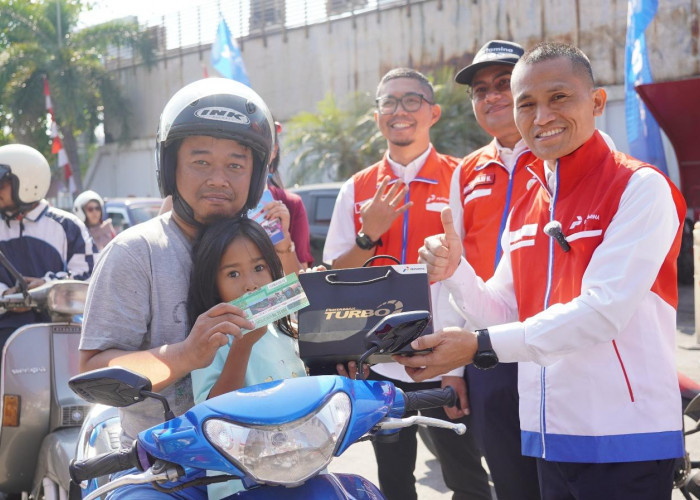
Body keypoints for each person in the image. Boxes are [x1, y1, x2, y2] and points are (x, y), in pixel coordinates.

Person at [396, 42, 686, 499]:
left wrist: (477, 347)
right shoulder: (529, 204)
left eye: (558, 98)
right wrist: (456, 271)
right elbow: (501, 309)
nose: (542, 116)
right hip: (547, 436)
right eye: (526, 104)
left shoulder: (640, 187)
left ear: (596, 102)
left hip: (625, 437)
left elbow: (602, 312)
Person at [78, 78, 276, 499]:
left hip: (267, 451)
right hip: (162, 469)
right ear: (170, 168)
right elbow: (95, 368)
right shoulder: (136, 253)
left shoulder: (258, 247)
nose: (219, 179)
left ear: (255, 175)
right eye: (201, 162)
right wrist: (185, 355)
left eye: (236, 165)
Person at [323, 67, 491, 500]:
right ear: (377, 115)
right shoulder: (356, 189)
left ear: (433, 112)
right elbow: (335, 277)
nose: (400, 111)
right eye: (389, 102)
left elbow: (474, 277)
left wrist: (454, 369)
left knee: (467, 479)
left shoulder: (461, 177)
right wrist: (369, 232)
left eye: (412, 100)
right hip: (378, 366)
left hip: (444, 357)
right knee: (395, 482)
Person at [449, 40, 541, 500]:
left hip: (551, 341)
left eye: (504, 84)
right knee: (509, 480)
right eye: (480, 90)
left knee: (562, 479)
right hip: (486, 349)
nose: (491, 97)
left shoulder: (559, 155)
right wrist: (453, 366)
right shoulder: (466, 171)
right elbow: (452, 266)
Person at [188, 217, 306, 499]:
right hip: (240, 484)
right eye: (232, 274)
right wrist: (242, 347)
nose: (250, 285)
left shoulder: (285, 329)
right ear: (212, 282)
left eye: (259, 268)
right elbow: (212, 414)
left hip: (299, 472)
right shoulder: (210, 338)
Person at [0, 144, 95, 347]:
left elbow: (90, 277)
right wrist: (5, 296)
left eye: (2, 182)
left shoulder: (68, 226)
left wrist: (47, 286)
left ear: (26, 182)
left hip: (61, 333)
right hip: (5, 337)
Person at [266, 121, 314, 269]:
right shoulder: (219, 201)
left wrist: (283, 238)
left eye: (261, 144)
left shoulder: (291, 204)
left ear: (274, 150)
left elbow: (301, 282)